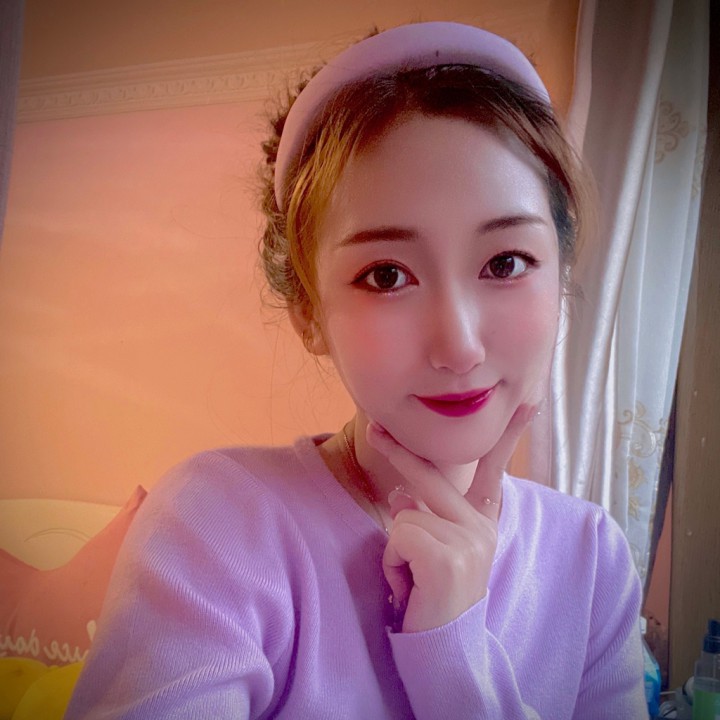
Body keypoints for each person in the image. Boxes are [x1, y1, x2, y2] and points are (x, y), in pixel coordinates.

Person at [65, 21, 647, 720]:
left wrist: (455, 654)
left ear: (562, 277)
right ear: (308, 311)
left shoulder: (592, 562)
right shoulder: (220, 524)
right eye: (386, 275)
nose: (459, 346)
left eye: (505, 263)